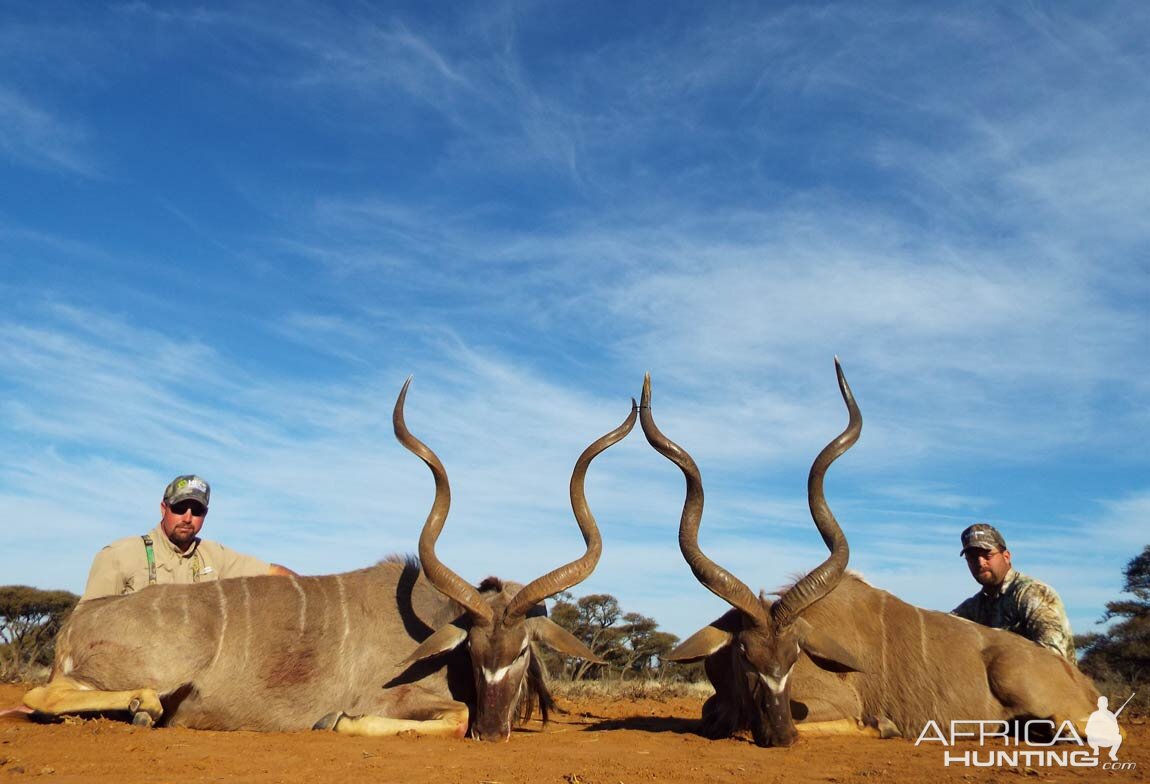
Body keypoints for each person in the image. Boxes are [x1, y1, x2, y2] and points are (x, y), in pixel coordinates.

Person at [81, 474, 295, 601]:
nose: (187, 517)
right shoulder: (120, 554)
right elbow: (86, 622)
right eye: (180, 508)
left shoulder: (215, 556)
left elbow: (273, 572)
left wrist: (316, 596)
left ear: (205, 515)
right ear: (163, 509)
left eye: (197, 511)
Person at [951, 522, 1075, 660]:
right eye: (972, 558)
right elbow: (944, 630)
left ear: (1006, 556)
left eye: (987, 555)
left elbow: (1054, 657)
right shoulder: (972, 608)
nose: (980, 563)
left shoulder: (1034, 593)